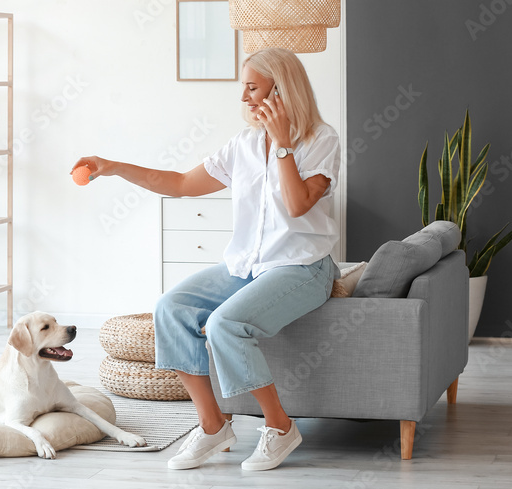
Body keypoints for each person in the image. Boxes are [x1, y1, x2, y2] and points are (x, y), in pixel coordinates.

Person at [71, 47, 340, 471]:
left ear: (280, 88)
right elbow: (179, 184)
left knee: (224, 325)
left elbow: (298, 205)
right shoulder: (244, 146)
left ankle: (281, 427)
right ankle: (213, 426)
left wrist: (284, 146)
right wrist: (113, 166)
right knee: (170, 309)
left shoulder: (321, 140)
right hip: (246, 268)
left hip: (302, 267)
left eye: (252, 87)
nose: (244, 97)